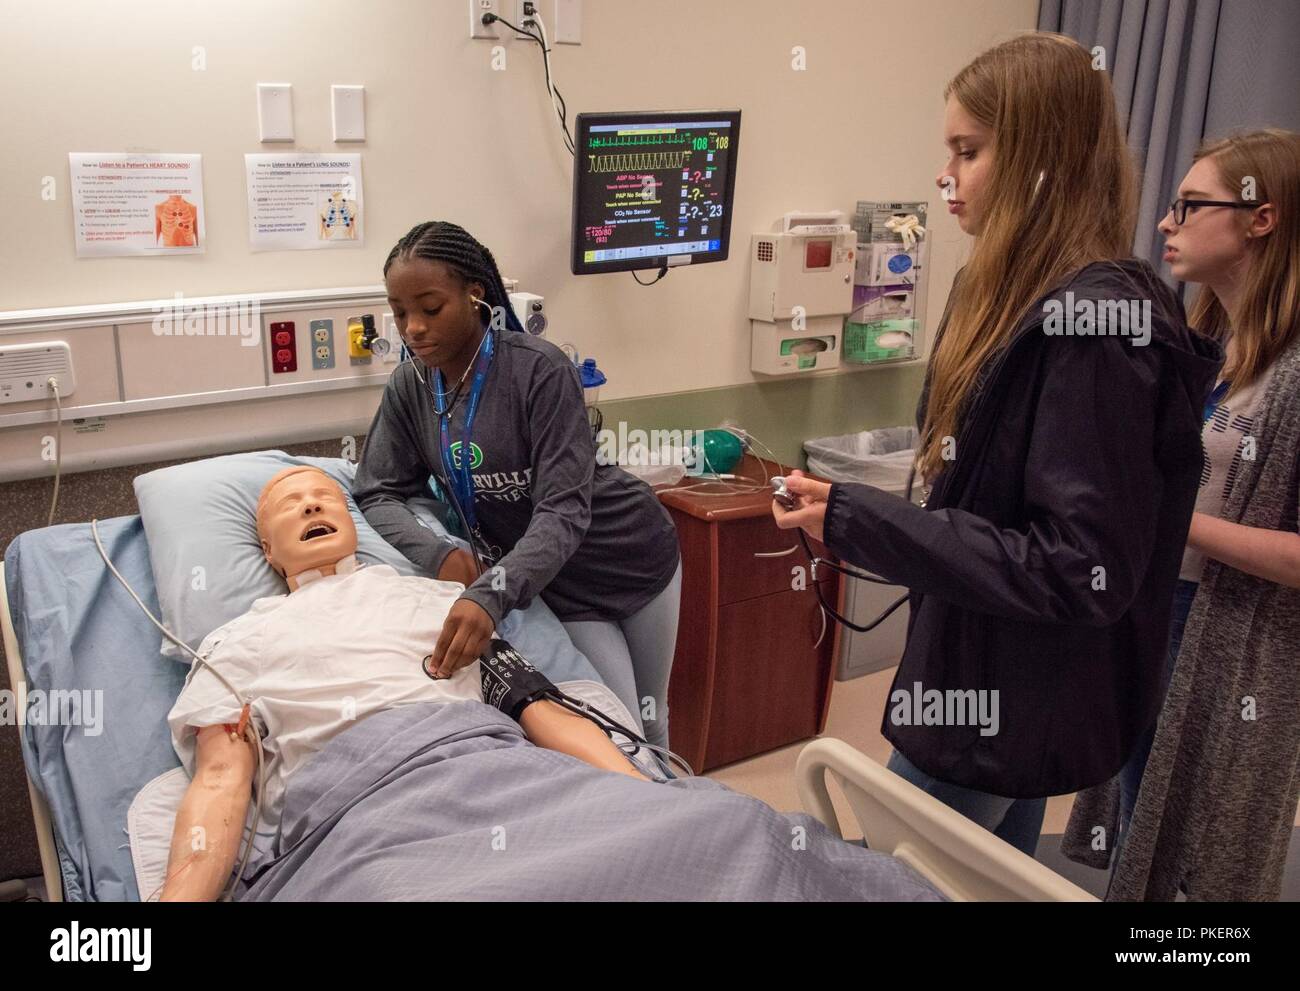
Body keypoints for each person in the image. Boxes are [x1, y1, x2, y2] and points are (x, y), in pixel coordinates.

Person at [772, 33, 1221, 857]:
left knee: (861, 873)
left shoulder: (1097, 331)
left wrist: (858, 517)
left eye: (969, 151)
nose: (946, 176)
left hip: (1008, 702)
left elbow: (1074, 565)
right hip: (986, 688)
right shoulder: (1016, 300)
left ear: (1041, 158)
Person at [160, 466, 650, 902]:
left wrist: (646, 799)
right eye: (290, 505)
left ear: (353, 524)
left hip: (496, 772)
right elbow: (220, 780)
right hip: (364, 813)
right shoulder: (235, 644)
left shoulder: (447, 603)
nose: (311, 504)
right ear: (267, 549)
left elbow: (534, 705)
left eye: (327, 497)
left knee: (661, 843)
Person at [1064, 129, 1300, 901]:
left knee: (1205, 860)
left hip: (1234, 641)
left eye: (1189, 205)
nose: (1167, 222)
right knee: (1146, 842)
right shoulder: (1213, 347)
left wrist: (1164, 517)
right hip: (1161, 611)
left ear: (1259, 218)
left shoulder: (1292, 374)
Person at [353, 222, 682, 751]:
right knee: (622, 730)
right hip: (555, 583)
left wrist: (490, 594)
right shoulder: (410, 388)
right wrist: (437, 553)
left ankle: (680, 809)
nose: (412, 328)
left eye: (430, 308)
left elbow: (563, 510)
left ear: (474, 294)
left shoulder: (539, 371)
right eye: (399, 312)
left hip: (631, 550)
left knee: (654, 712)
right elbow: (376, 490)